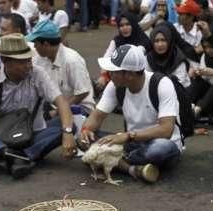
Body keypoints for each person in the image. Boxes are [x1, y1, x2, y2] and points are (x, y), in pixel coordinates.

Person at [0, 33, 76, 179]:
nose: (28, 65)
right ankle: (9, 153)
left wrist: (67, 132)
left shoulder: (38, 74)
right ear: (5, 60)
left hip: (32, 137)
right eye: (22, 62)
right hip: (0, 137)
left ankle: (10, 156)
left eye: (29, 60)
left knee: (69, 124)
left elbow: (61, 102)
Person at [79, 44, 183, 183]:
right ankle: (133, 169)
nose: (109, 73)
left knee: (160, 149)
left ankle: (110, 159)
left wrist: (127, 136)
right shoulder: (115, 85)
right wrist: (86, 130)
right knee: (82, 139)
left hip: (160, 142)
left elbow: (166, 130)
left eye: (114, 71)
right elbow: (97, 116)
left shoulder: (161, 84)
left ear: (129, 74)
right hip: (130, 143)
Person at [28, 20, 95, 129]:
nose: (34, 46)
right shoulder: (39, 58)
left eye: (36, 43)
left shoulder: (72, 60)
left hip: (79, 109)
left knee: (45, 129)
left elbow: (82, 92)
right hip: (53, 105)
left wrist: (58, 111)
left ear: (46, 44)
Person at [97, 11, 152, 92]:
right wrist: (103, 75)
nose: (124, 28)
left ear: (133, 24)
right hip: (122, 76)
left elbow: (136, 55)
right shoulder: (117, 40)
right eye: (121, 25)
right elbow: (107, 56)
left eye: (127, 24)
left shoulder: (144, 40)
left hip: (140, 76)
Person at [146, 23, 191, 87]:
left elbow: (179, 84)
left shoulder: (177, 59)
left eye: (163, 40)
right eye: (156, 41)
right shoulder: (149, 58)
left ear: (169, 41)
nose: (160, 45)